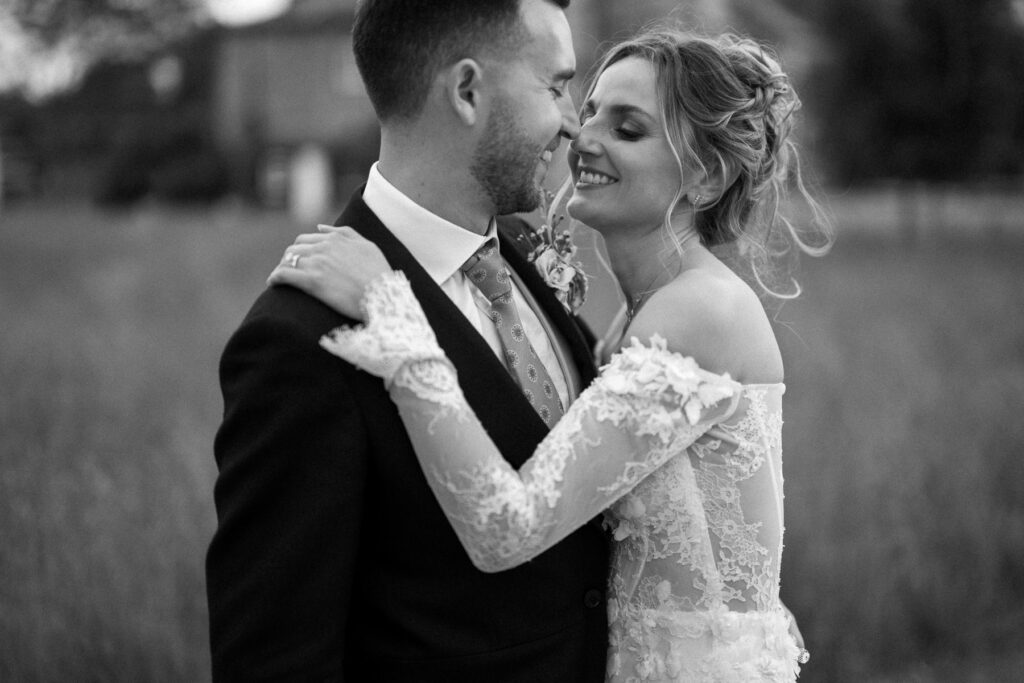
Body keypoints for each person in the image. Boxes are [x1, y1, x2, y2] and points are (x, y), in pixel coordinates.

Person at [269, 28, 830, 682]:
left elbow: (509, 526)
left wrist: (397, 323)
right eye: (587, 108)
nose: (581, 136)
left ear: (703, 176)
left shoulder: (702, 311)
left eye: (627, 128)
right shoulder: (635, 318)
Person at [206, 1, 612, 681]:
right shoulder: (299, 341)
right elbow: (273, 659)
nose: (574, 121)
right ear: (466, 90)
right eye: (555, 85)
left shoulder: (523, 271)